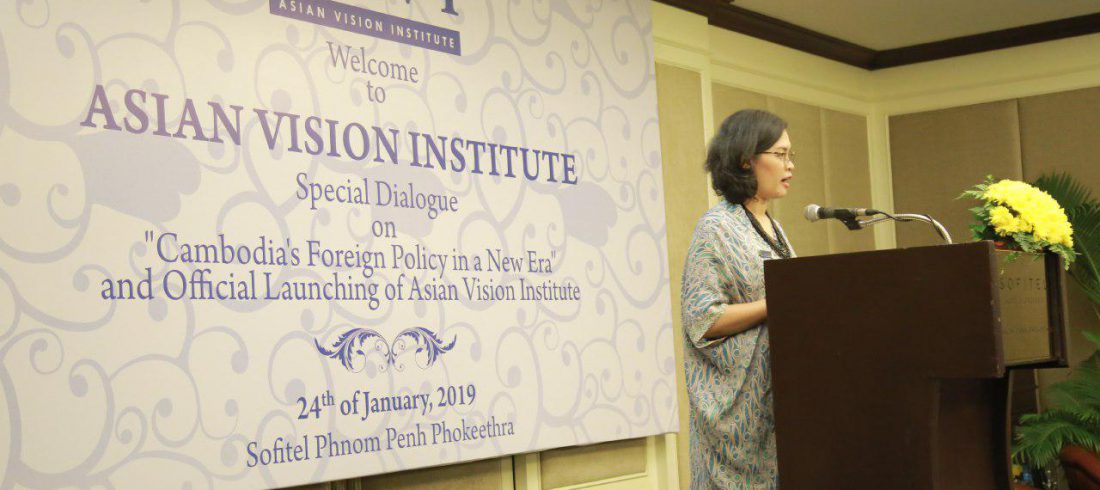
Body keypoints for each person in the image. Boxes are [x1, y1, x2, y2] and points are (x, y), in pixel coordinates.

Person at [681, 109, 796, 489]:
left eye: (790, 155)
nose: (790, 165)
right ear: (747, 159)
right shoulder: (716, 227)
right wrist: (777, 304)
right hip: (738, 418)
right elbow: (702, 319)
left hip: (781, 405)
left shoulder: (774, 227)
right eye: (780, 155)